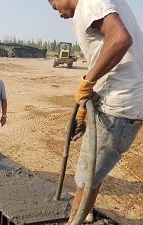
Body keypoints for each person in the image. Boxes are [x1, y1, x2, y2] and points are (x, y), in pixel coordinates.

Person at [48, 0, 143, 224]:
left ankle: (75, 221)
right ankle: (82, 215)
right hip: (119, 101)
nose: (59, 14)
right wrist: (82, 110)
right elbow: (105, 53)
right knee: (93, 171)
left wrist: (87, 81)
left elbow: (120, 39)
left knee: (86, 176)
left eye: (55, 6)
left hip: (119, 105)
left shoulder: (90, 2)